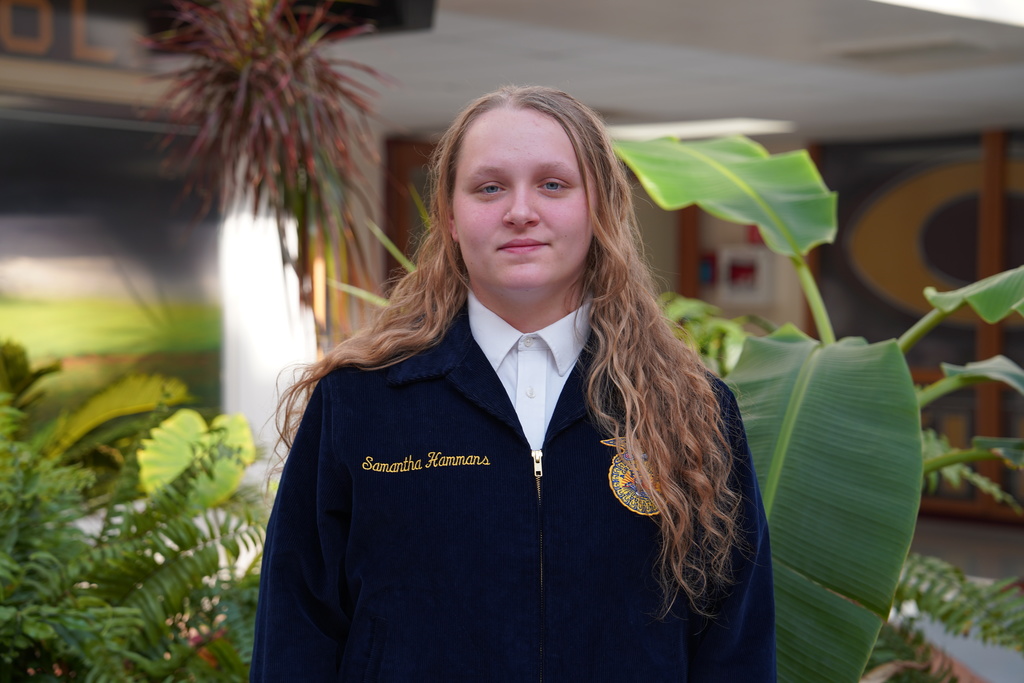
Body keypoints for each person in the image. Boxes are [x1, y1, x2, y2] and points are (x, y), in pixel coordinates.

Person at [250, 85, 775, 682]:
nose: (520, 210)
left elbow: (736, 644)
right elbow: (295, 633)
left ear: (599, 207)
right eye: (489, 187)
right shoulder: (359, 403)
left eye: (553, 184)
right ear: (449, 216)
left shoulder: (691, 409)